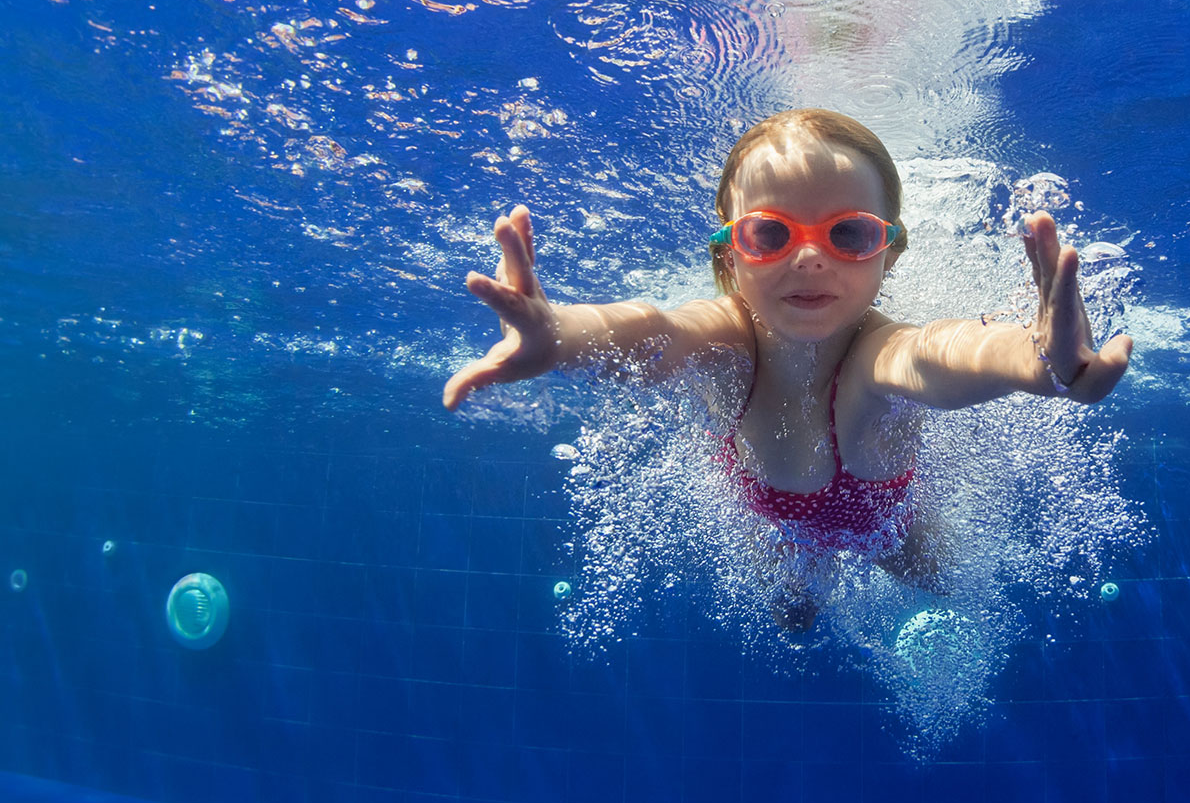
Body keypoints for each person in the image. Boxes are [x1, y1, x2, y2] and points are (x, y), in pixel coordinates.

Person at [443, 109, 1132, 628]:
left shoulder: (877, 352)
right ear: (729, 255)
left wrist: (1040, 361)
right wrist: (562, 335)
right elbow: (653, 331)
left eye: (849, 234)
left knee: (945, 586)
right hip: (773, 522)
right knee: (793, 619)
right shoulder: (726, 339)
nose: (809, 258)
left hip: (889, 522)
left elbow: (941, 353)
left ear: (888, 254)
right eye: (770, 234)